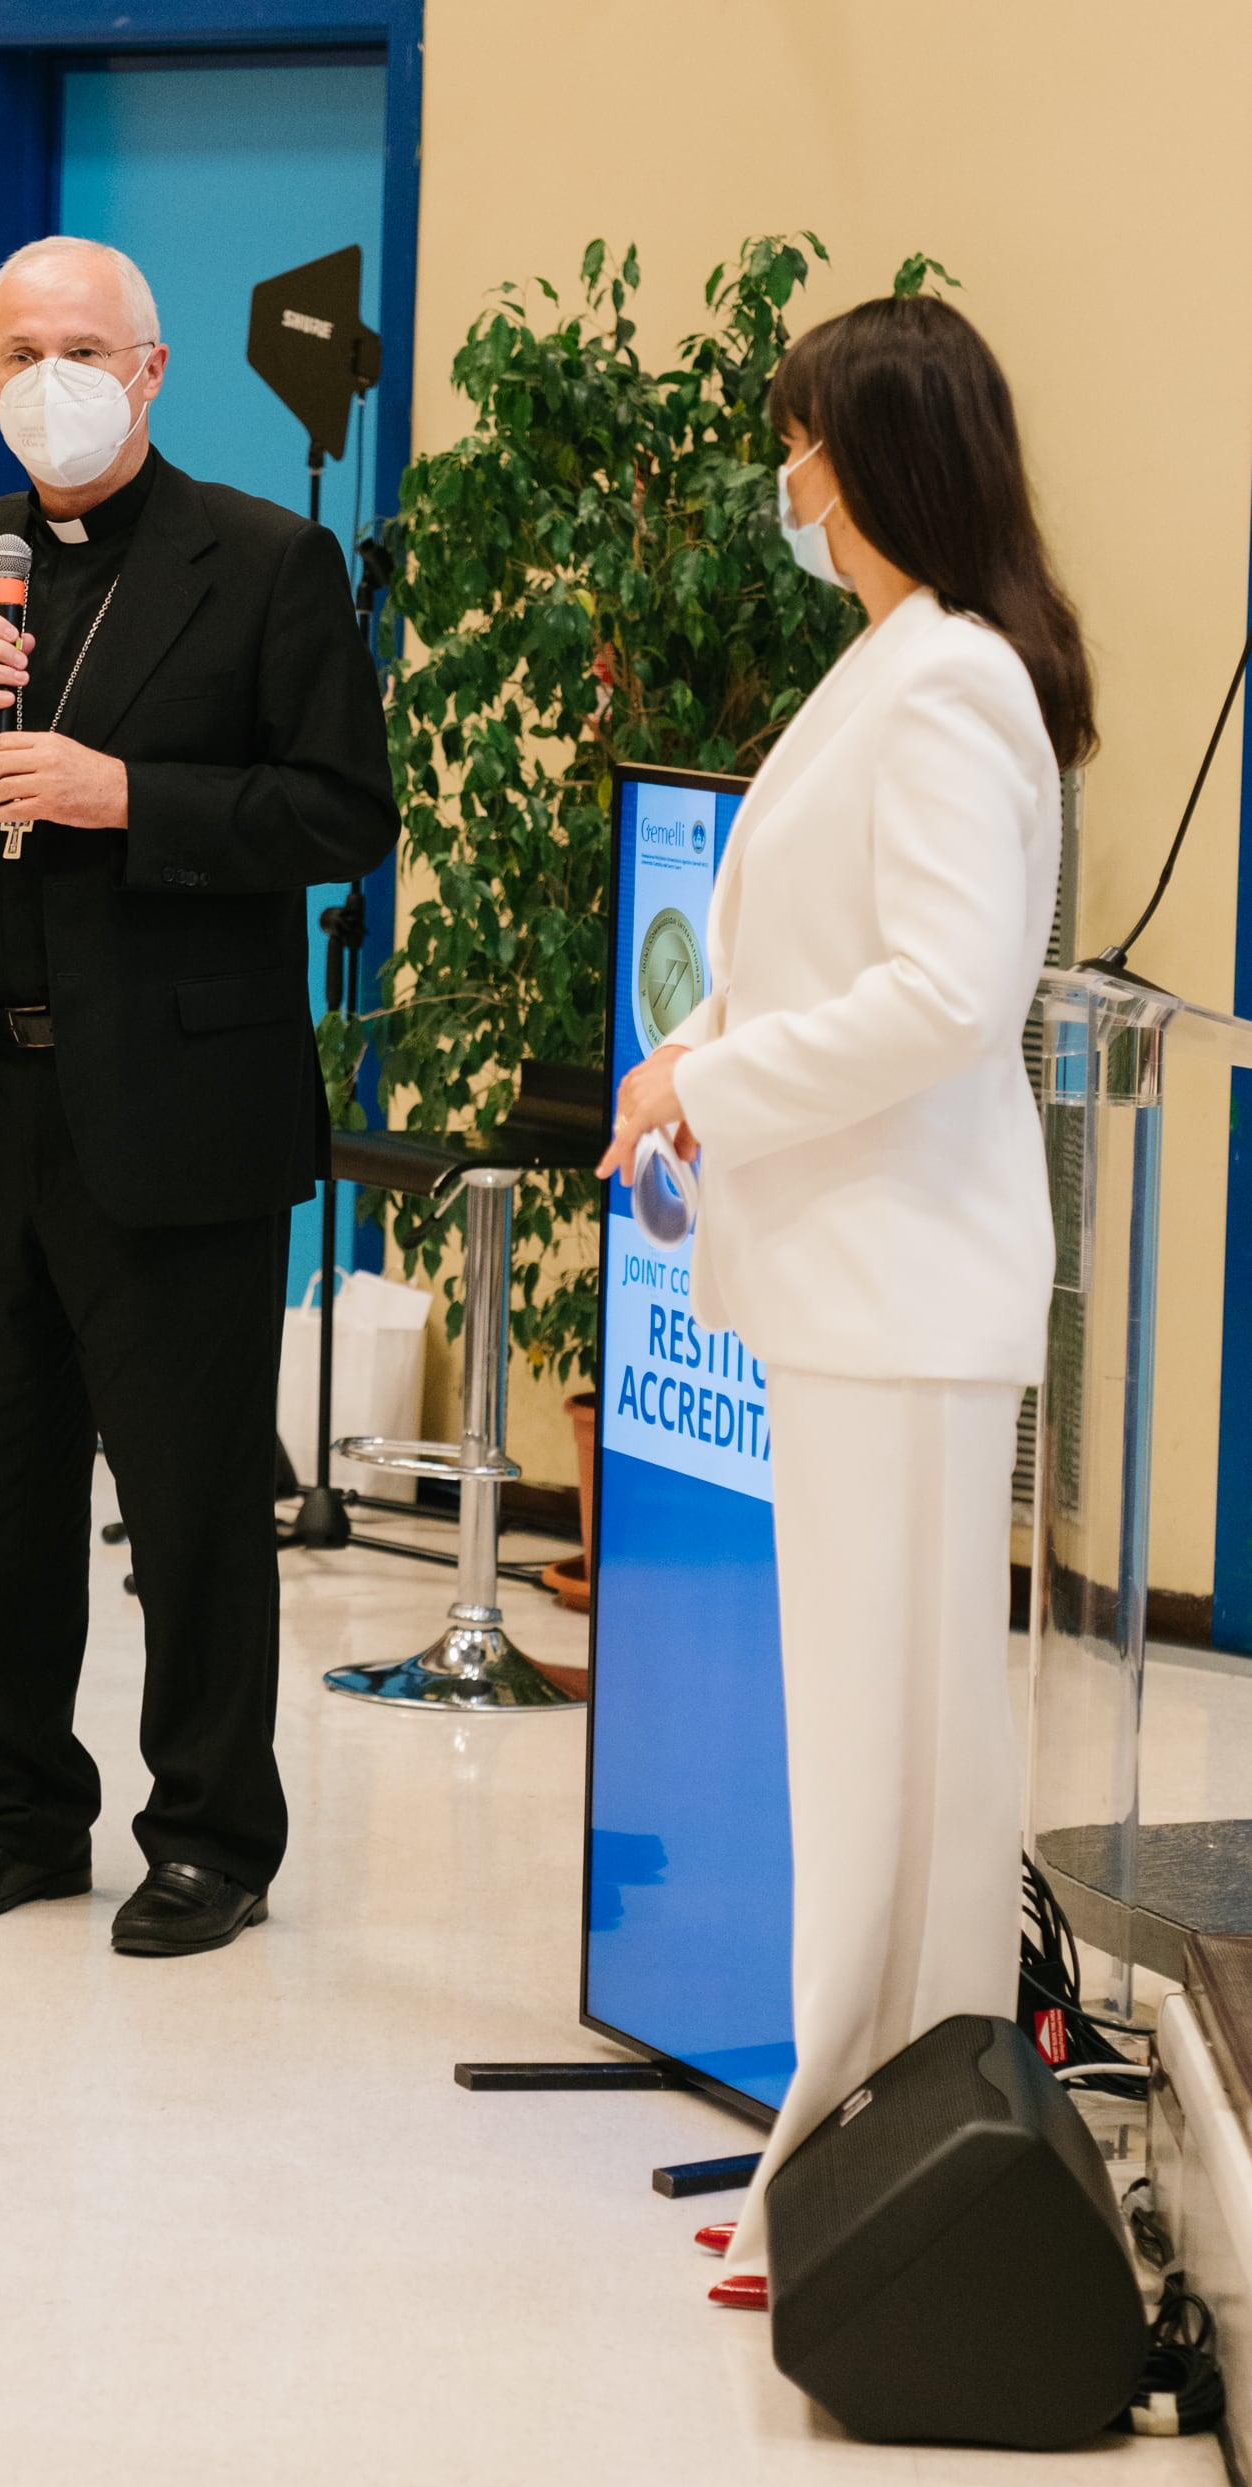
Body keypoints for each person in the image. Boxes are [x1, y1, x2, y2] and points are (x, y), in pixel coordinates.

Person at [599, 293, 1094, 2306]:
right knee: (873, 1755)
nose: (783, 476)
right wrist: (687, 1050)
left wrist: (706, 1085)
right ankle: (871, 2148)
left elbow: (946, 995)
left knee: (909, 1762)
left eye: (799, 439)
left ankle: (890, 2157)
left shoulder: (953, 678)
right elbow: (818, 952)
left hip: (905, 1288)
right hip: (856, 1288)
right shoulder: (890, 661)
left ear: (874, 454)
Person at [0, 235, 398, 1955]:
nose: (48, 381)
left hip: (174, 1109)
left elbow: (341, 813)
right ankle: (18, 1813)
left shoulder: (267, 560)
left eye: (80, 350)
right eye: (18, 355)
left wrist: (126, 795)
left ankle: (213, 1836)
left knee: (191, 1497)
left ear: (150, 370)